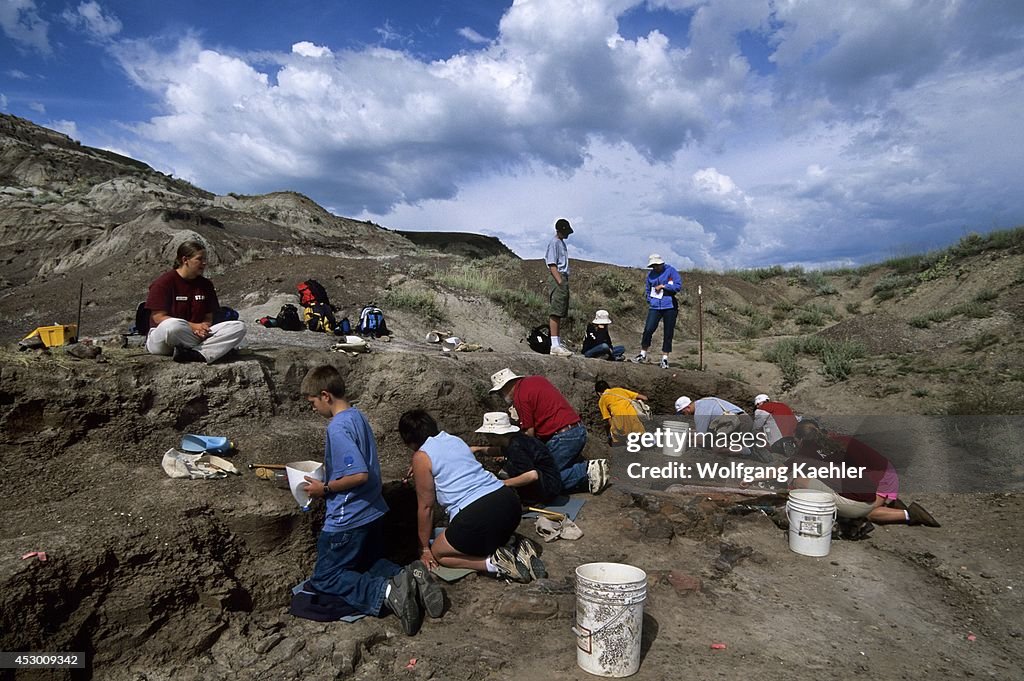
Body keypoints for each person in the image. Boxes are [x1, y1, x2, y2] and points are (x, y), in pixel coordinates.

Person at [298, 366, 445, 636]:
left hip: (347, 516)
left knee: (325, 577)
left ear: (325, 395)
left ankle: (388, 592)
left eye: (312, 403)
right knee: (367, 563)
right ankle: (409, 574)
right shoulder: (357, 416)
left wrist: (325, 488)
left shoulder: (337, 428)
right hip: (372, 510)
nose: (312, 409)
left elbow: (358, 473)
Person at [399, 409, 544, 583]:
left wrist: (423, 549)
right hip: (509, 502)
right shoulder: (454, 440)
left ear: (409, 440)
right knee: (480, 532)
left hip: (476, 513)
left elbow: (426, 507)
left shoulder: (421, 457)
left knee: (439, 551)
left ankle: (494, 563)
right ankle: (513, 545)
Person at [788, 419, 940, 527]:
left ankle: (910, 514)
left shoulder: (832, 448)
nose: (796, 444)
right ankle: (890, 503)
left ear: (803, 439)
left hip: (881, 479)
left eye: (796, 441)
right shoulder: (833, 441)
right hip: (885, 472)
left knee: (867, 512)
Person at [489, 368, 609, 494]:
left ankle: (585, 470)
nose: (501, 396)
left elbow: (529, 435)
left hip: (563, 437)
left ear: (507, 386)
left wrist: (517, 456)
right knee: (547, 472)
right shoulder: (536, 380)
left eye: (500, 392)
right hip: (575, 429)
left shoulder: (520, 397)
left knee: (545, 481)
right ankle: (582, 471)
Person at [144, 240, 246, 363]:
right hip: (166, 337)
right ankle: (212, 348)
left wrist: (204, 327)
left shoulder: (205, 285)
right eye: (199, 259)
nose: (204, 263)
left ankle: (196, 354)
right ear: (185, 260)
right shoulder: (164, 283)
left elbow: (209, 316)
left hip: (195, 335)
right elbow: (158, 317)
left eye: (205, 259)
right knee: (172, 326)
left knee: (238, 327)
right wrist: (193, 326)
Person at [471, 412, 561, 506]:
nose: (487, 439)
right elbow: (499, 451)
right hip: (552, 482)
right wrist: (478, 449)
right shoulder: (515, 439)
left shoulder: (515, 448)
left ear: (494, 436)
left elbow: (532, 475)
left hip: (547, 488)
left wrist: (503, 483)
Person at [632, 253, 682, 369]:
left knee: (668, 332)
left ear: (661, 263)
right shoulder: (651, 275)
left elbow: (677, 286)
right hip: (655, 306)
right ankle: (643, 354)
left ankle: (665, 358)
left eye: (657, 265)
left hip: (669, 306)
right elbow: (648, 289)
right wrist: (650, 299)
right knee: (648, 329)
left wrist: (664, 287)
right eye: (653, 266)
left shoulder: (671, 271)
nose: (655, 268)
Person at [545, 218, 574, 357]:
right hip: (559, 277)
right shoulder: (554, 243)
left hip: (563, 277)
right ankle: (554, 345)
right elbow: (552, 264)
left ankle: (557, 342)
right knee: (556, 310)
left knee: (560, 310)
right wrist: (560, 282)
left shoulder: (561, 243)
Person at [595, 380, 649, 445]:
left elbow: (608, 418)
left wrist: (613, 429)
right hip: (634, 418)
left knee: (615, 436)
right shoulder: (619, 390)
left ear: (599, 393)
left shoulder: (602, 400)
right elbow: (644, 398)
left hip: (620, 422)